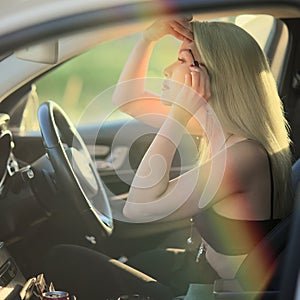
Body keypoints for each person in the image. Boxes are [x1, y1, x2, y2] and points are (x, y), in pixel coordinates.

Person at [44, 16, 293, 299]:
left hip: (209, 292)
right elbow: (126, 97)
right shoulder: (217, 127)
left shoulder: (245, 155)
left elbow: (138, 207)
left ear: (212, 76)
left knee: (62, 258)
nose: (166, 69)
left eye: (182, 60)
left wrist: (179, 114)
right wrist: (148, 38)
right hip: (196, 268)